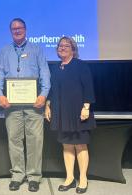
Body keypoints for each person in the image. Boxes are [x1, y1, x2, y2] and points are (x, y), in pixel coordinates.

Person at [0, 18, 51, 192]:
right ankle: (17, 175)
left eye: (20, 28)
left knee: (35, 140)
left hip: (34, 104)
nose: (17, 30)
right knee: (14, 140)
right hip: (11, 105)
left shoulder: (37, 49)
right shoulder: (4, 51)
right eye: (14, 28)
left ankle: (34, 176)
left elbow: (45, 74)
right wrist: (0, 94)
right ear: (10, 31)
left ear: (26, 29)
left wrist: (43, 94)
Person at [45, 36, 96, 194]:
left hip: (78, 111)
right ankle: (69, 178)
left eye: (66, 46)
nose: (62, 48)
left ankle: (82, 179)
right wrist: (48, 105)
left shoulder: (81, 65)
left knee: (80, 145)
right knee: (66, 145)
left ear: (73, 49)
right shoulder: (56, 68)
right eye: (60, 45)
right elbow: (52, 90)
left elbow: (88, 87)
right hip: (61, 112)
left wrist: (86, 107)